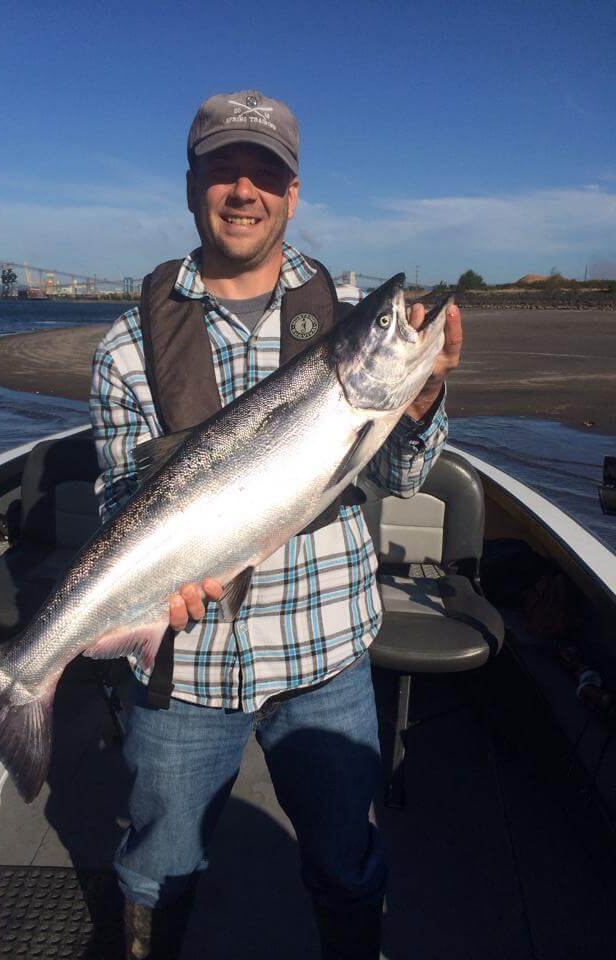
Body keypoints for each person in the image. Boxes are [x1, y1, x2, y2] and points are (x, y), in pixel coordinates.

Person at [90, 90, 462, 959]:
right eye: (225, 168)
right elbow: (120, 504)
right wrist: (151, 590)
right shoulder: (124, 346)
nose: (244, 190)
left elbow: (402, 473)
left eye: (267, 173)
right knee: (156, 872)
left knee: (345, 864)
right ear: (191, 186)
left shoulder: (343, 318)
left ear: (294, 195)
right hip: (185, 674)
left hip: (324, 653)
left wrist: (425, 390)